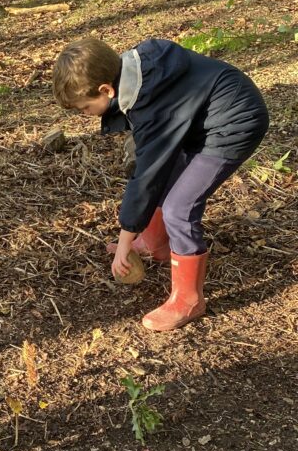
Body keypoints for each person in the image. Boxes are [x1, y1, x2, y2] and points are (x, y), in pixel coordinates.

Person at [52, 36, 269, 331]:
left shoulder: (151, 102)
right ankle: (155, 243)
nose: (85, 115)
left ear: (106, 89)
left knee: (180, 208)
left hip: (233, 124)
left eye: (85, 108)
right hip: (201, 120)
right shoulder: (137, 75)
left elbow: (147, 176)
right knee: (166, 177)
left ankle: (189, 299)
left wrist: (123, 245)